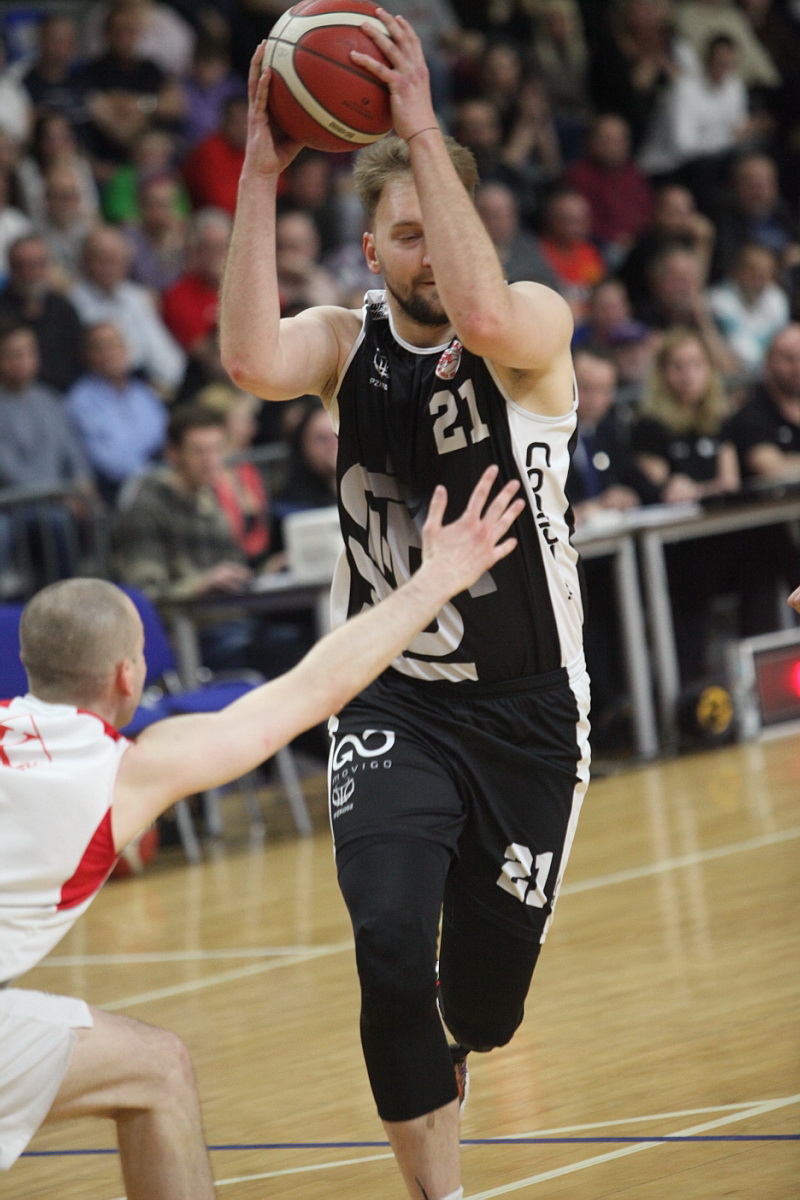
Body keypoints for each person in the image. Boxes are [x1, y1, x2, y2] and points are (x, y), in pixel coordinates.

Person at [220, 15, 590, 1200]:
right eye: (405, 234)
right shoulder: (346, 343)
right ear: (371, 250)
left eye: (443, 225)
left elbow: (482, 317)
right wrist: (260, 172)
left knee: (482, 1009)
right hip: (394, 702)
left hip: (530, 715)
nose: (425, 252)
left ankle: (460, 1051)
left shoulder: (532, 328)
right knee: (386, 946)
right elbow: (247, 362)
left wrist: (423, 130)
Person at [0, 465, 523, 1190]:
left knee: (151, 1064)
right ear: (127, 676)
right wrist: (437, 579)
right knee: (159, 1070)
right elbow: (312, 691)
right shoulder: (125, 771)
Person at [65, 321, 168, 503]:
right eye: (102, 347)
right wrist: (158, 472)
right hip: (122, 493)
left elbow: (168, 437)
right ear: (87, 355)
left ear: (127, 348)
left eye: (116, 344)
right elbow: (112, 464)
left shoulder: (142, 392)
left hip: (164, 480)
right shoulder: (80, 402)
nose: (111, 353)